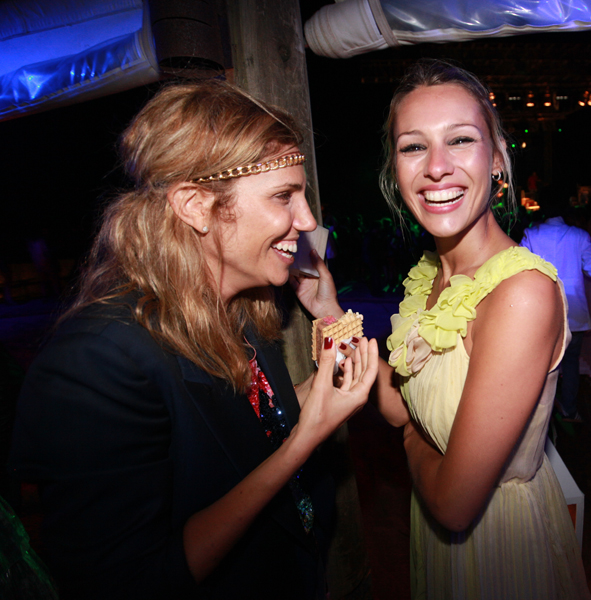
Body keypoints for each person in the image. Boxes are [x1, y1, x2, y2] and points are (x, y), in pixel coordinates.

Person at [9, 80, 378, 600]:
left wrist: (322, 360)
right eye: (283, 196)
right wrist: (305, 440)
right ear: (194, 205)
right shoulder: (95, 360)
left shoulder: (238, 307)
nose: (308, 220)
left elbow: (241, 426)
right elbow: (133, 582)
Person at [376, 59, 591, 599]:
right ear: (395, 167)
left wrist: (410, 438)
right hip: (436, 540)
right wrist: (329, 309)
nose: (436, 167)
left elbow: (453, 503)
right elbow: (399, 405)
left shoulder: (519, 293)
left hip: (501, 550)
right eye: (413, 146)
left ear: (496, 159)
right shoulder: (430, 275)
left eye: (460, 140)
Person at [521, 190, 591, 423]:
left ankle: (539, 416)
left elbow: (520, 268)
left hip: (542, 312)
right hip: (574, 313)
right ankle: (568, 409)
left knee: (541, 366)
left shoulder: (531, 234)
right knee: (570, 364)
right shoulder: (579, 235)